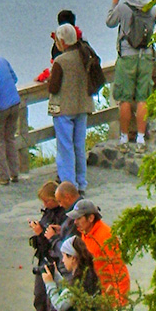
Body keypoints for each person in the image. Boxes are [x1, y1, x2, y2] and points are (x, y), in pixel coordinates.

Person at [105, 0, 156, 150]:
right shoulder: (151, 7)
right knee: (143, 98)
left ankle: (124, 138)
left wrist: (115, 0)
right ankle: (141, 139)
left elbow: (110, 22)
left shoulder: (123, 6)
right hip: (146, 56)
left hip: (127, 56)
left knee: (125, 99)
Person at [47, 24, 93, 194]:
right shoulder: (84, 55)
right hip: (82, 105)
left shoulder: (61, 61)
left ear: (62, 41)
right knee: (79, 146)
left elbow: (53, 87)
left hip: (64, 108)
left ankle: (68, 185)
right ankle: (81, 182)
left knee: (65, 147)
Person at [65, 200, 131, 311]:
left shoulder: (105, 236)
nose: (75, 222)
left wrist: (120, 301)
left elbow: (118, 270)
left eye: (79, 218)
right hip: (93, 293)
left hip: (105, 298)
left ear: (90, 218)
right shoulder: (85, 232)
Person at [30, 181, 78, 311]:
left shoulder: (66, 216)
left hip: (58, 264)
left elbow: (61, 248)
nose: (45, 204)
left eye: (47, 201)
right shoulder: (49, 213)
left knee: (53, 303)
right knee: (40, 300)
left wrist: (44, 235)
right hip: (45, 261)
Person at [42, 235, 100, 311]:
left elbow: (60, 305)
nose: (62, 260)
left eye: (64, 256)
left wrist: (49, 284)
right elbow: (69, 293)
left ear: (73, 258)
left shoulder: (81, 280)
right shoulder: (87, 274)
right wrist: (56, 276)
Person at [0, 52, 22, 184]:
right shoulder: (2, 60)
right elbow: (14, 79)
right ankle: (14, 173)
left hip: (0, 107)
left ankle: (3, 176)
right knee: (10, 138)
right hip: (14, 103)